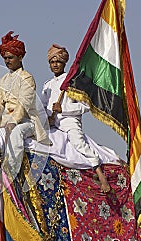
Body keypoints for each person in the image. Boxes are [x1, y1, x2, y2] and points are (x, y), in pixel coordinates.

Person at [40, 44, 111, 193]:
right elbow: (44, 106)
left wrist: (64, 109)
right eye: (52, 62)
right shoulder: (48, 85)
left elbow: (86, 106)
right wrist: (48, 117)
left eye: (58, 62)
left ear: (64, 63)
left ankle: (99, 173)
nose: (55, 65)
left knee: (78, 142)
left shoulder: (72, 80)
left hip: (70, 121)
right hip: (53, 123)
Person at [0, 31, 51, 178]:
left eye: (10, 57)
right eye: (5, 58)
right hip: (6, 121)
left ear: (20, 57)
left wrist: (12, 123)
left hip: (27, 121)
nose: (7, 61)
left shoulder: (27, 77)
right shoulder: (2, 80)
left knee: (16, 133)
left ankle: (10, 172)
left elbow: (23, 105)